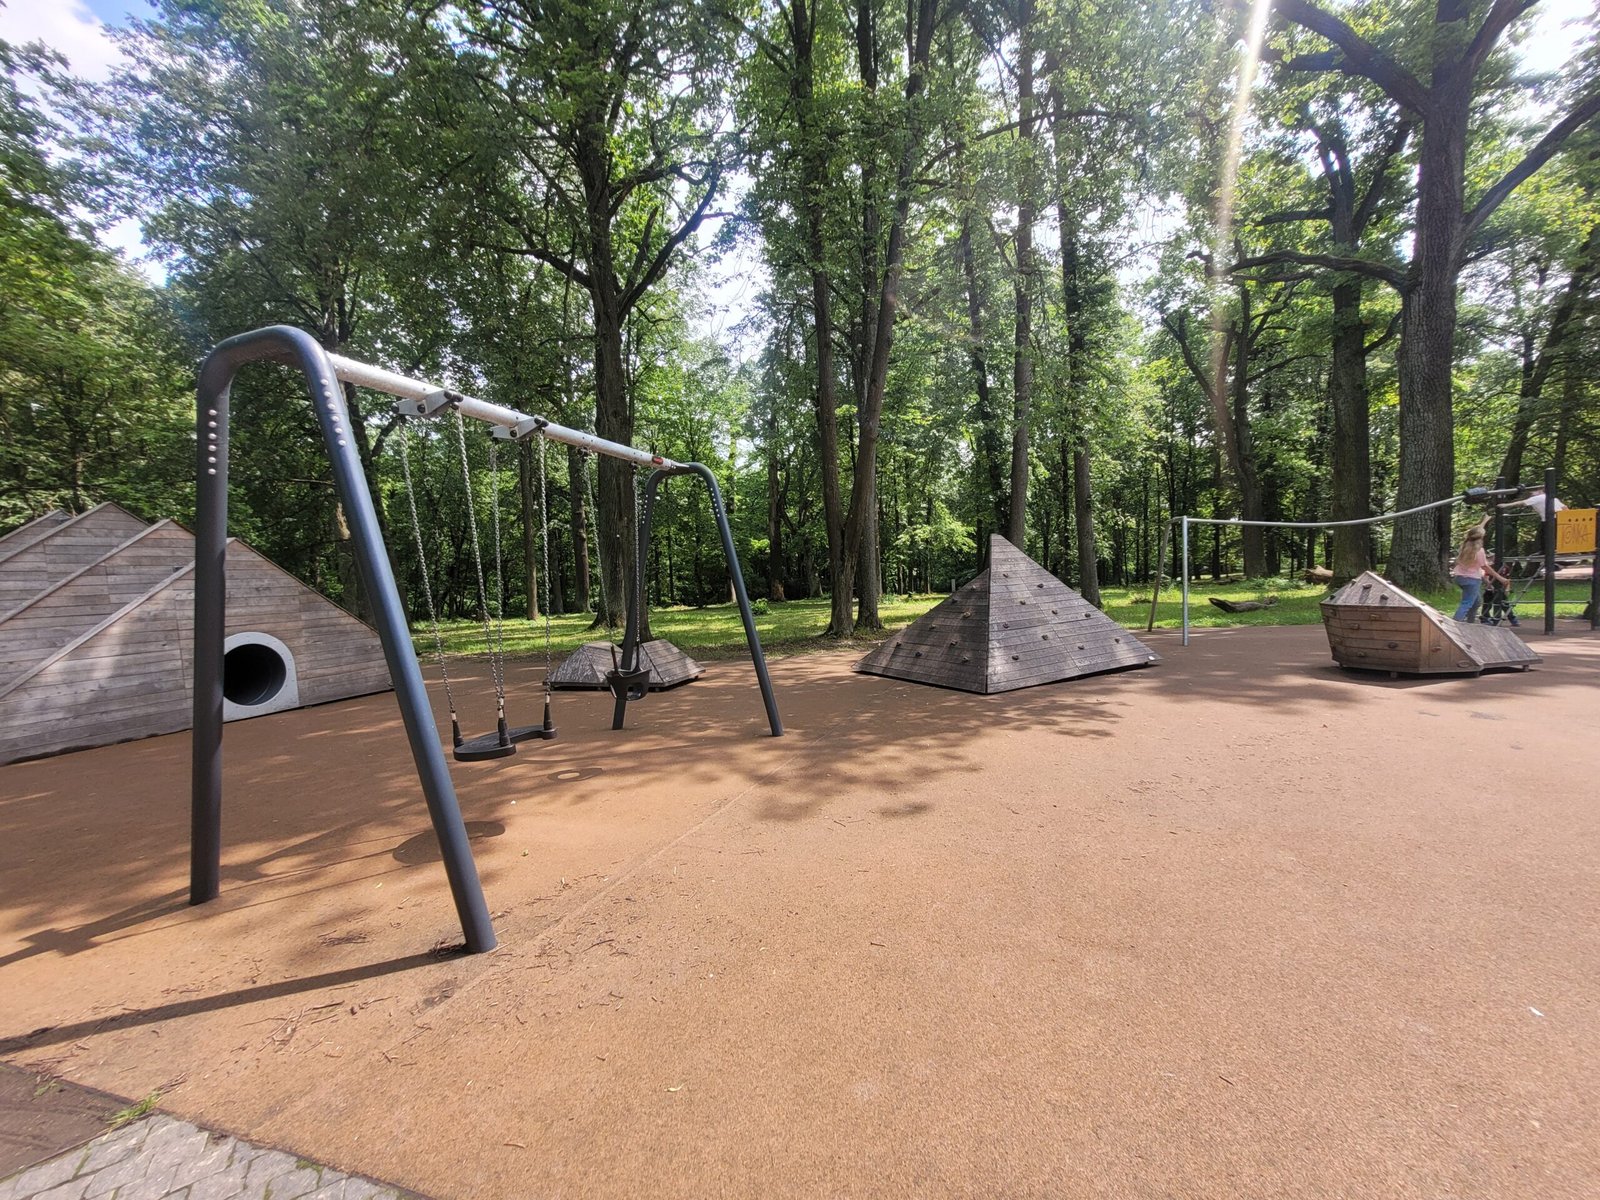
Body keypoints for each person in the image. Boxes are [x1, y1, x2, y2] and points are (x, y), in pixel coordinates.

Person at [1452, 522, 1509, 622]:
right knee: (1467, 603)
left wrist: (1485, 521)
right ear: (1481, 538)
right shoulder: (1479, 550)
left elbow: (1475, 532)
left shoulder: (1465, 545)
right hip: (1472, 579)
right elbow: (1485, 567)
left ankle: (1470, 622)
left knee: (1477, 602)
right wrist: (1500, 578)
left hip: (1460, 578)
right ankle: (1455, 624)